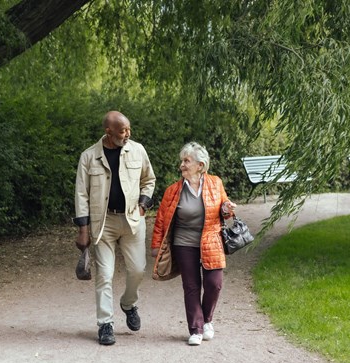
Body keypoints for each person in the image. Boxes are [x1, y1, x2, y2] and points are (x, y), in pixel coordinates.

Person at [74, 111, 156, 345]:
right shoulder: (89, 157)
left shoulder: (137, 150)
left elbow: (149, 179)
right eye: (122, 131)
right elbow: (81, 194)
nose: (127, 134)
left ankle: (128, 303)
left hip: (132, 221)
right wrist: (83, 229)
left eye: (129, 129)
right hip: (103, 224)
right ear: (108, 131)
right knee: (105, 274)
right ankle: (105, 324)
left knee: (138, 269)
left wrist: (143, 204)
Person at [151, 142, 236, 345]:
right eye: (182, 161)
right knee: (191, 285)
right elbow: (161, 219)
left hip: (211, 239)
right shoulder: (173, 191)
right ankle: (196, 329)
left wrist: (227, 208)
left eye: (186, 161)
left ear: (200, 165)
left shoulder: (215, 183)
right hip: (184, 241)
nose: (182, 165)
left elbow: (224, 210)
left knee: (214, 284)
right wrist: (156, 244)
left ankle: (207, 319)